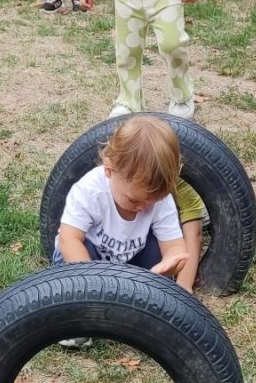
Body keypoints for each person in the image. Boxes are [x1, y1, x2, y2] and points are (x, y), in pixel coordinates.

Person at [53, 115, 193, 294]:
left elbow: (175, 247)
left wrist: (170, 264)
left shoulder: (161, 200)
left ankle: (143, 295)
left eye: (152, 201)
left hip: (129, 262)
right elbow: (68, 239)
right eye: (134, 200)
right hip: (85, 259)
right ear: (110, 170)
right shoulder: (90, 191)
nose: (143, 207)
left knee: (157, 249)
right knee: (79, 246)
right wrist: (92, 282)